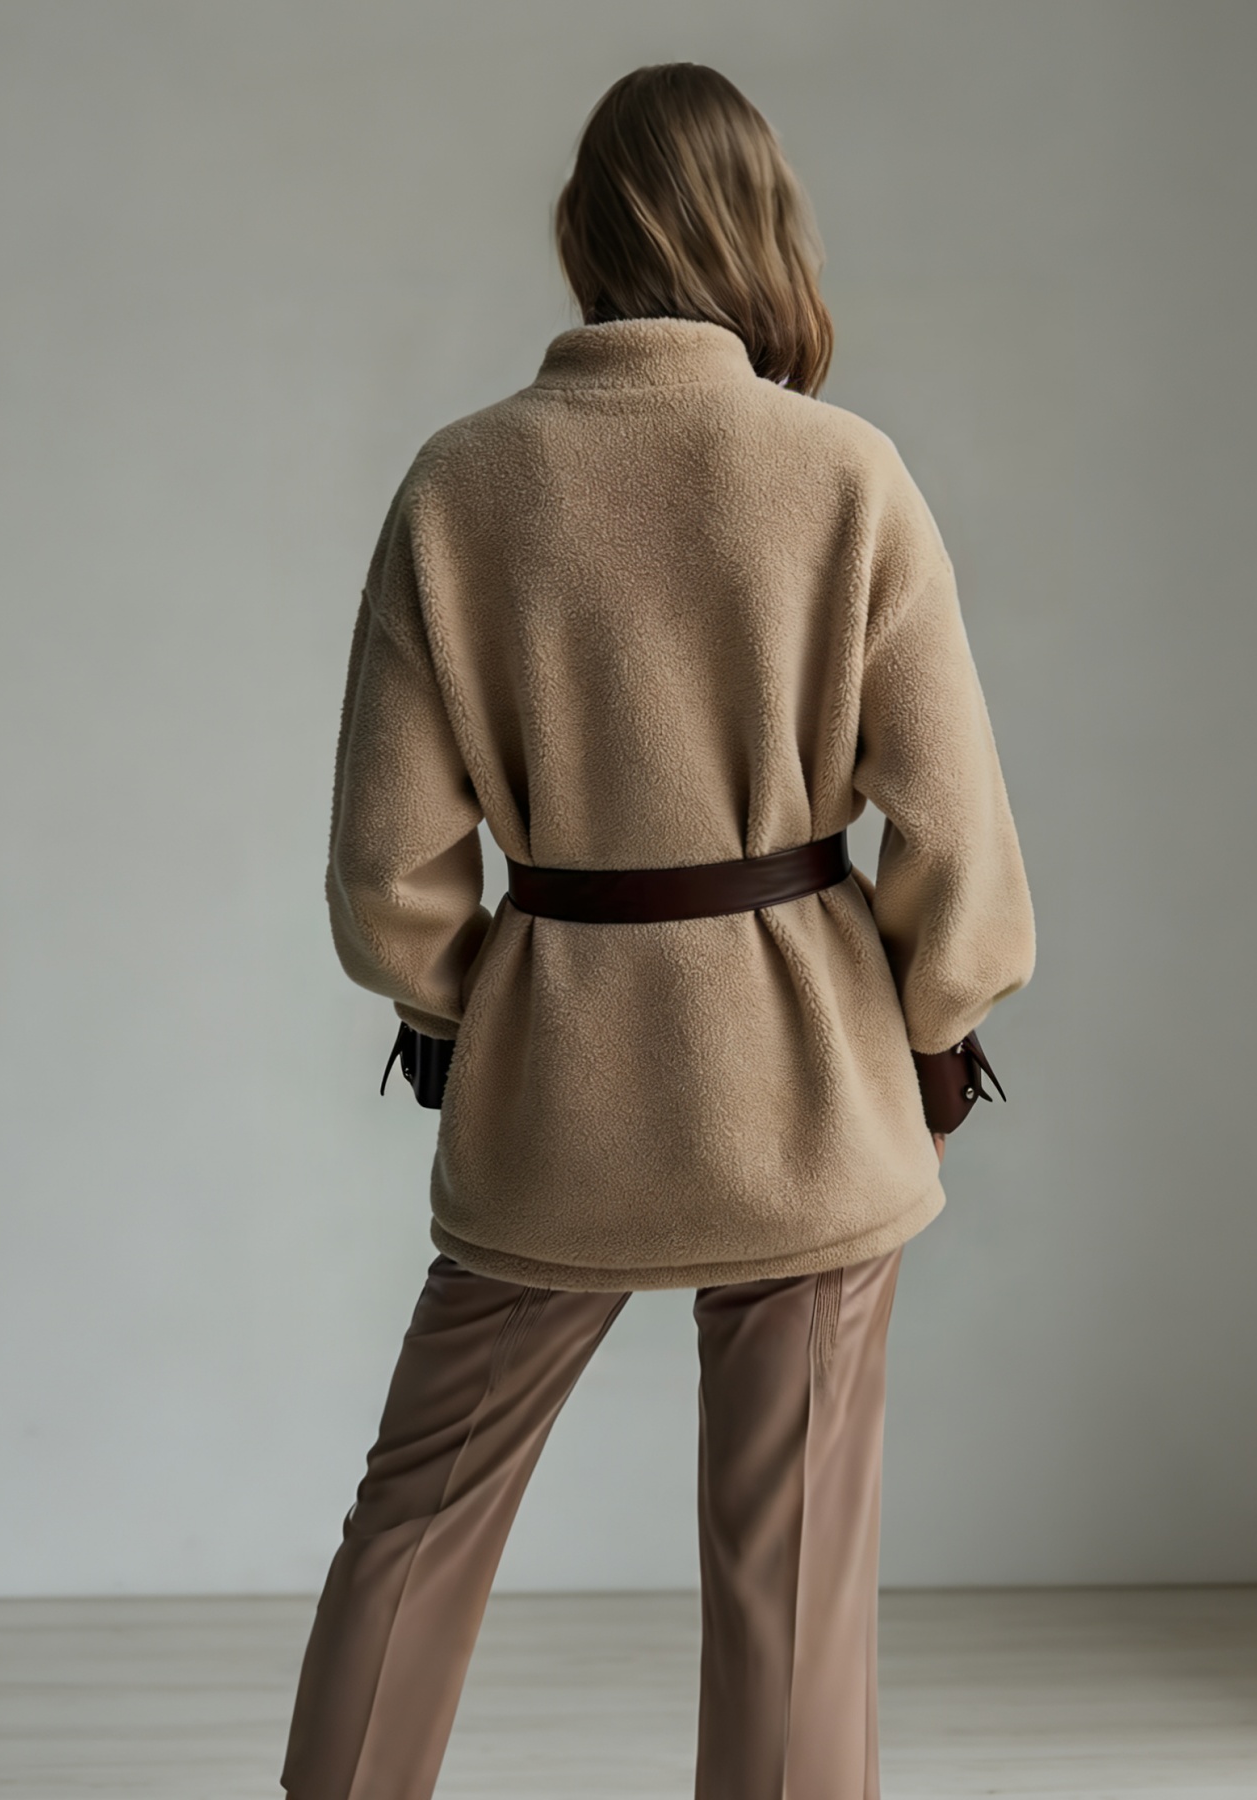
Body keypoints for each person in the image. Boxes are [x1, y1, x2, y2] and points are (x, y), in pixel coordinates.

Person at [281, 61, 1035, 1800]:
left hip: (555, 1088)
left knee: (416, 1520)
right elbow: (953, 835)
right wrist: (932, 1036)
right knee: (791, 1576)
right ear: (765, 231)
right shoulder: (843, 474)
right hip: (805, 1094)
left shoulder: (461, 483)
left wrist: (471, 1011)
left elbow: (385, 866)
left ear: (582, 233)